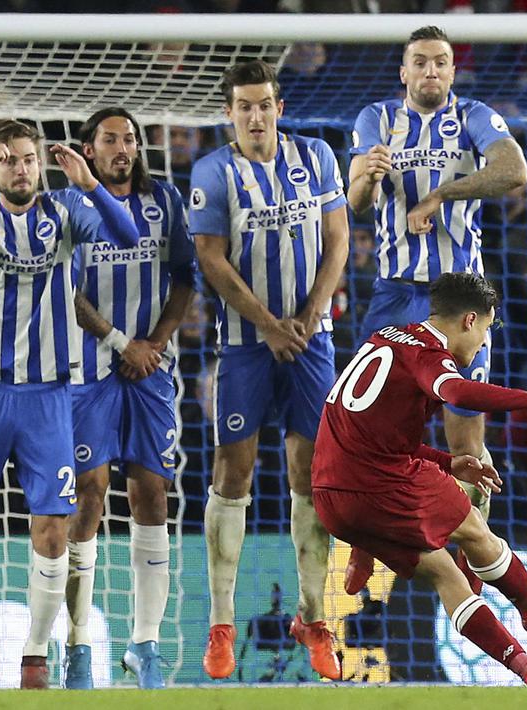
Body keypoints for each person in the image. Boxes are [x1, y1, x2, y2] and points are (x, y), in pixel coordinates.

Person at [0, 119, 140, 690]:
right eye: (9, 159)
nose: (20, 167)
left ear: (42, 165)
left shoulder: (65, 212)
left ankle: (36, 660)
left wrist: (89, 183)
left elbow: (128, 235)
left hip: (48, 398)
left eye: (28, 159)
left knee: (54, 532)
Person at [311, 272, 527, 689]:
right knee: (474, 526)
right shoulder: (431, 356)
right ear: (469, 321)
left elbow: (376, 434)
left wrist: (448, 461)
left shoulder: (385, 337)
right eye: (486, 331)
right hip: (379, 486)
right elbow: (457, 394)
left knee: (446, 573)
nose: (481, 345)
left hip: (331, 498)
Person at [344, 24, 527, 592]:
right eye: (419, 62)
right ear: (403, 72)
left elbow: (514, 170)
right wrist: (369, 180)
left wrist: (443, 193)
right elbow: (355, 205)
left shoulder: (472, 115)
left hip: (460, 298)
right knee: (370, 433)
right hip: (396, 292)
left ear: (453, 71)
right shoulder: (375, 118)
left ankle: (475, 558)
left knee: (465, 438)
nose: (430, 71)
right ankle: (363, 545)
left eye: (440, 62)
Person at [189, 60, 349, 681]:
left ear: (279, 107)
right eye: (243, 107)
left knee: (312, 473)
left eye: (264, 104)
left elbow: (337, 239)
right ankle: (221, 625)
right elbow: (210, 258)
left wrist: (311, 312)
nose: (255, 116)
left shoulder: (318, 158)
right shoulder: (213, 171)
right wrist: (266, 322)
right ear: (230, 113)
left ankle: (312, 617)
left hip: (313, 339)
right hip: (245, 344)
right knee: (234, 471)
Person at [60, 107, 197, 690]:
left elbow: (186, 276)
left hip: (150, 371)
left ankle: (146, 645)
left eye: (130, 140)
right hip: (86, 371)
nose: (123, 148)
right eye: (110, 140)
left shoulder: (164, 200)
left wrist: (155, 344)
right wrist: (121, 342)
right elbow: (64, 290)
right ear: (88, 150)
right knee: (88, 498)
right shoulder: (67, 206)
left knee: (152, 498)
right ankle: (78, 647)